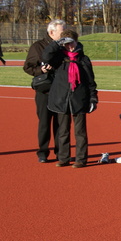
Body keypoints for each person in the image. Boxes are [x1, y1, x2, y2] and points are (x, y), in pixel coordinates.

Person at [42, 29, 98, 168]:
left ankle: (81, 159)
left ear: (77, 42)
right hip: (61, 99)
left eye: (71, 43)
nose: (69, 46)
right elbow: (45, 56)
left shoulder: (83, 60)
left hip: (79, 99)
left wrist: (93, 99)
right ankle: (63, 157)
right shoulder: (58, 58)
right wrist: (57, 43)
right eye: (66, 44)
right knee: (63, 131)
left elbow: (91, 81)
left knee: (80, 132)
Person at [23, 19, 65, 163]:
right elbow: (27, 67)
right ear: (51, 32)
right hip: (44, 91)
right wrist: (40, 70)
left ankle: (61, 153)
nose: (64, 33)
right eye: (62, 31)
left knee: (61, 124)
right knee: (44, 123)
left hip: (60, 91)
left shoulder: (64, 46)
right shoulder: (38, 46)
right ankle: (42, 152)